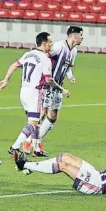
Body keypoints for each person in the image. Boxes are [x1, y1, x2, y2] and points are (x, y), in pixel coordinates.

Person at [15, 131, 106, 199]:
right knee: (66, 156)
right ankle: (30, 166)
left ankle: (25, 164)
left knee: (63, 165)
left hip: (99, 186)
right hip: (97, 175)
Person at [0, 32, 69, 160]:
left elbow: (14, 65)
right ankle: (14, 147)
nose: (51, 45)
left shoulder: (28, 54)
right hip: (35, 93)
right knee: (33, 123)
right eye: (50, 42)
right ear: (44, 43)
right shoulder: (45, 58)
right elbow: (49, 80)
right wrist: (62, 89)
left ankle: (36, 148)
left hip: (23, 92)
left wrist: (6, 79)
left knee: (35, 121)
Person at [38, 26, 84, 156]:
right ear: (74, 36)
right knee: (42, 113)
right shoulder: (58, 46)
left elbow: (68, 67)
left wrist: (71, 76)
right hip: (48, 84)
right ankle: (30, 142)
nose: (82, 38)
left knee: (52, 117)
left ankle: (37, 140)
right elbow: (44, 55)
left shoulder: (74, 51)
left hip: (59, 86)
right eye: (81, 35)